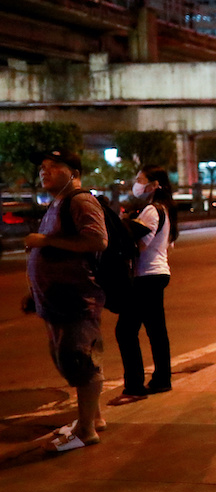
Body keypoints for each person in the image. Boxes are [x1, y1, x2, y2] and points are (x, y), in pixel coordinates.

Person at [25, 150, 108, 452]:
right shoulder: (57, 203)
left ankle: (86, 430)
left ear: (72, 172)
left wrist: (45, 241)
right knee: (67, 359)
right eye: (42, 168)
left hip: (76, 297)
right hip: (54, 298)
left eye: (52, 167)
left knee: (80, 359)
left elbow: (98, 240)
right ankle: (93, 418)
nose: (44, 172)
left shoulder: (81, 201)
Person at [114, 165, 178, 401]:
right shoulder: (163, 209)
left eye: (140, 179)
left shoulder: (152, 210)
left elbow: (139, 245)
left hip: (147, 276)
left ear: (154, 185)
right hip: (156, 274)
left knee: (126, 330)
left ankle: (135, 386)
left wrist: (122, 227)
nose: (136, 183)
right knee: (155, 331)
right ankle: (162, 380)